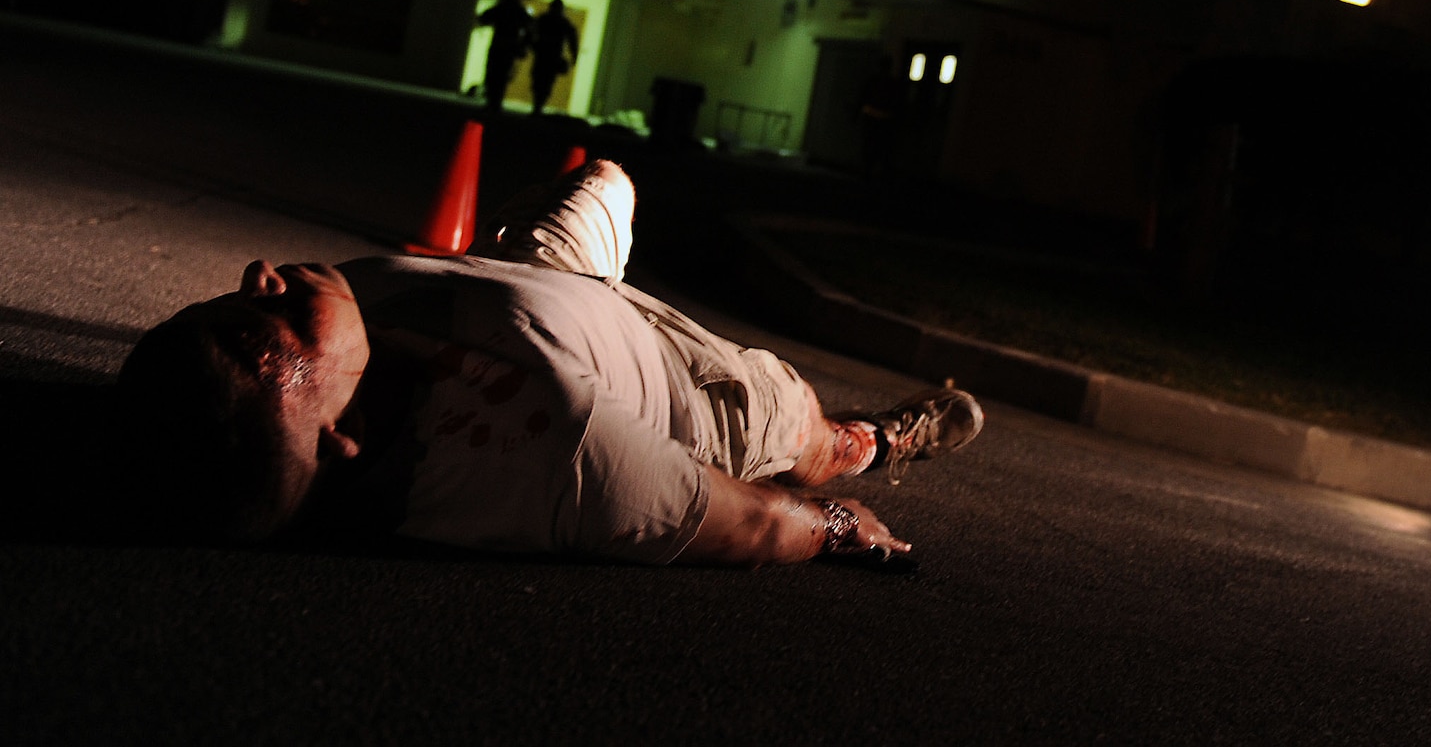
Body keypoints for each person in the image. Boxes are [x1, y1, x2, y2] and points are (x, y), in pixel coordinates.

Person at [115, 159, 983, 567]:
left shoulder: (319, 357)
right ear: (342, 434)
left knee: (605, 176)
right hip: (692, 387)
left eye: (233, 303)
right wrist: (832, 524)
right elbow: (749, 522)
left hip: (540, 276)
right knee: (810, 438)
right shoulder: (558, 454)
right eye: (271, 316)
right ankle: (877, 441)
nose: (261, 276)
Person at [475, 0, 533, 113]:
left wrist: (523, 46)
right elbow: (530, 30)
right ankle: (495, 101)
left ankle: (493, 101)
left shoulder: (504, 8)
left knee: (495, 74)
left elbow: (484, 19)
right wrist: (523, 46)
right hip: (508, 48)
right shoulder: (518, 11)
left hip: (501, 46)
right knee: (500, 75)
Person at [529, 0, 580, 116]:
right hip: (549, 57)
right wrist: (574, 56)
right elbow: (573, 41)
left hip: (546, 56)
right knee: (543, 82)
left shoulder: (546, 20)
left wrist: (529, 46)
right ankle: (538, 106)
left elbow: (530, 34)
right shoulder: (560, 22)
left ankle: (538, 106)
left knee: (541, 81)